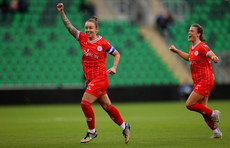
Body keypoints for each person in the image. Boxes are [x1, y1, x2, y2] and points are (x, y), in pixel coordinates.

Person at [57, 3, 131, 143]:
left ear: (96, 29)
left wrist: (114, 67)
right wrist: (62, 12)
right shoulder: (82, 39)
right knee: (107, 107)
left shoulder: (103, 43)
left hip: (101, 78)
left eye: (90, 28)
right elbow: (69, 27)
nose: (88, 30)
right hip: (91, 80)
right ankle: (124, 126)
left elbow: (117, 54)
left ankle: (92, 132)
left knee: (85, 103)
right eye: (86, 28)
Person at [169, 24, 222, 139]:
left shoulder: (202, 46)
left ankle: (214, 113)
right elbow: (189, 58)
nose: (189, 32)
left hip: (205, 80)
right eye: (189, 31)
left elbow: (211, 54)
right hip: (198, 81)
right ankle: (216, 131)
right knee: (204, 110)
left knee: (189, 104)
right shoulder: (191, 48)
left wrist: (214, 58)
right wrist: (177, 51)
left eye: (192, 31)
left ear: (198, 34)